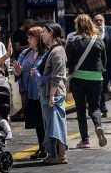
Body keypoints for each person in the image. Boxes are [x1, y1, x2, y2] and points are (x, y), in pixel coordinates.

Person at [66, 15, 108, 149]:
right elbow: (104, 60)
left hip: (78, 78)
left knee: (80, 109)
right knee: (95, 107)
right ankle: (98, 126)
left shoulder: (73, 40)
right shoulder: (98, 40)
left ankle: (85, 140)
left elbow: (68, 61)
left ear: (77, 25)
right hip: (96, 78)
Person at [13, 26, 49, 159]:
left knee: (46, 121)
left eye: (30, 37)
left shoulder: (46, 53)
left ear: (38, 38)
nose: (28, 39)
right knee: (38, 123)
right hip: (30, 92)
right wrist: (17, 70)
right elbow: (19, 72)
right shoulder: (25, 53)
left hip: (44, 92)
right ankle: (42, 147)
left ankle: (50, 147)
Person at [38, 22, 68, 165]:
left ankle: (59, 155)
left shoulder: (58, 51)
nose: (42, 34)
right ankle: (53, 154)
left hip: (54, 94)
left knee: (55, 125)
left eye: (44, 31)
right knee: (51, 124)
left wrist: (51, 96)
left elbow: (57, 75)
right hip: (48, 92)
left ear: (51, 33)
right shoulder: (51, 50)